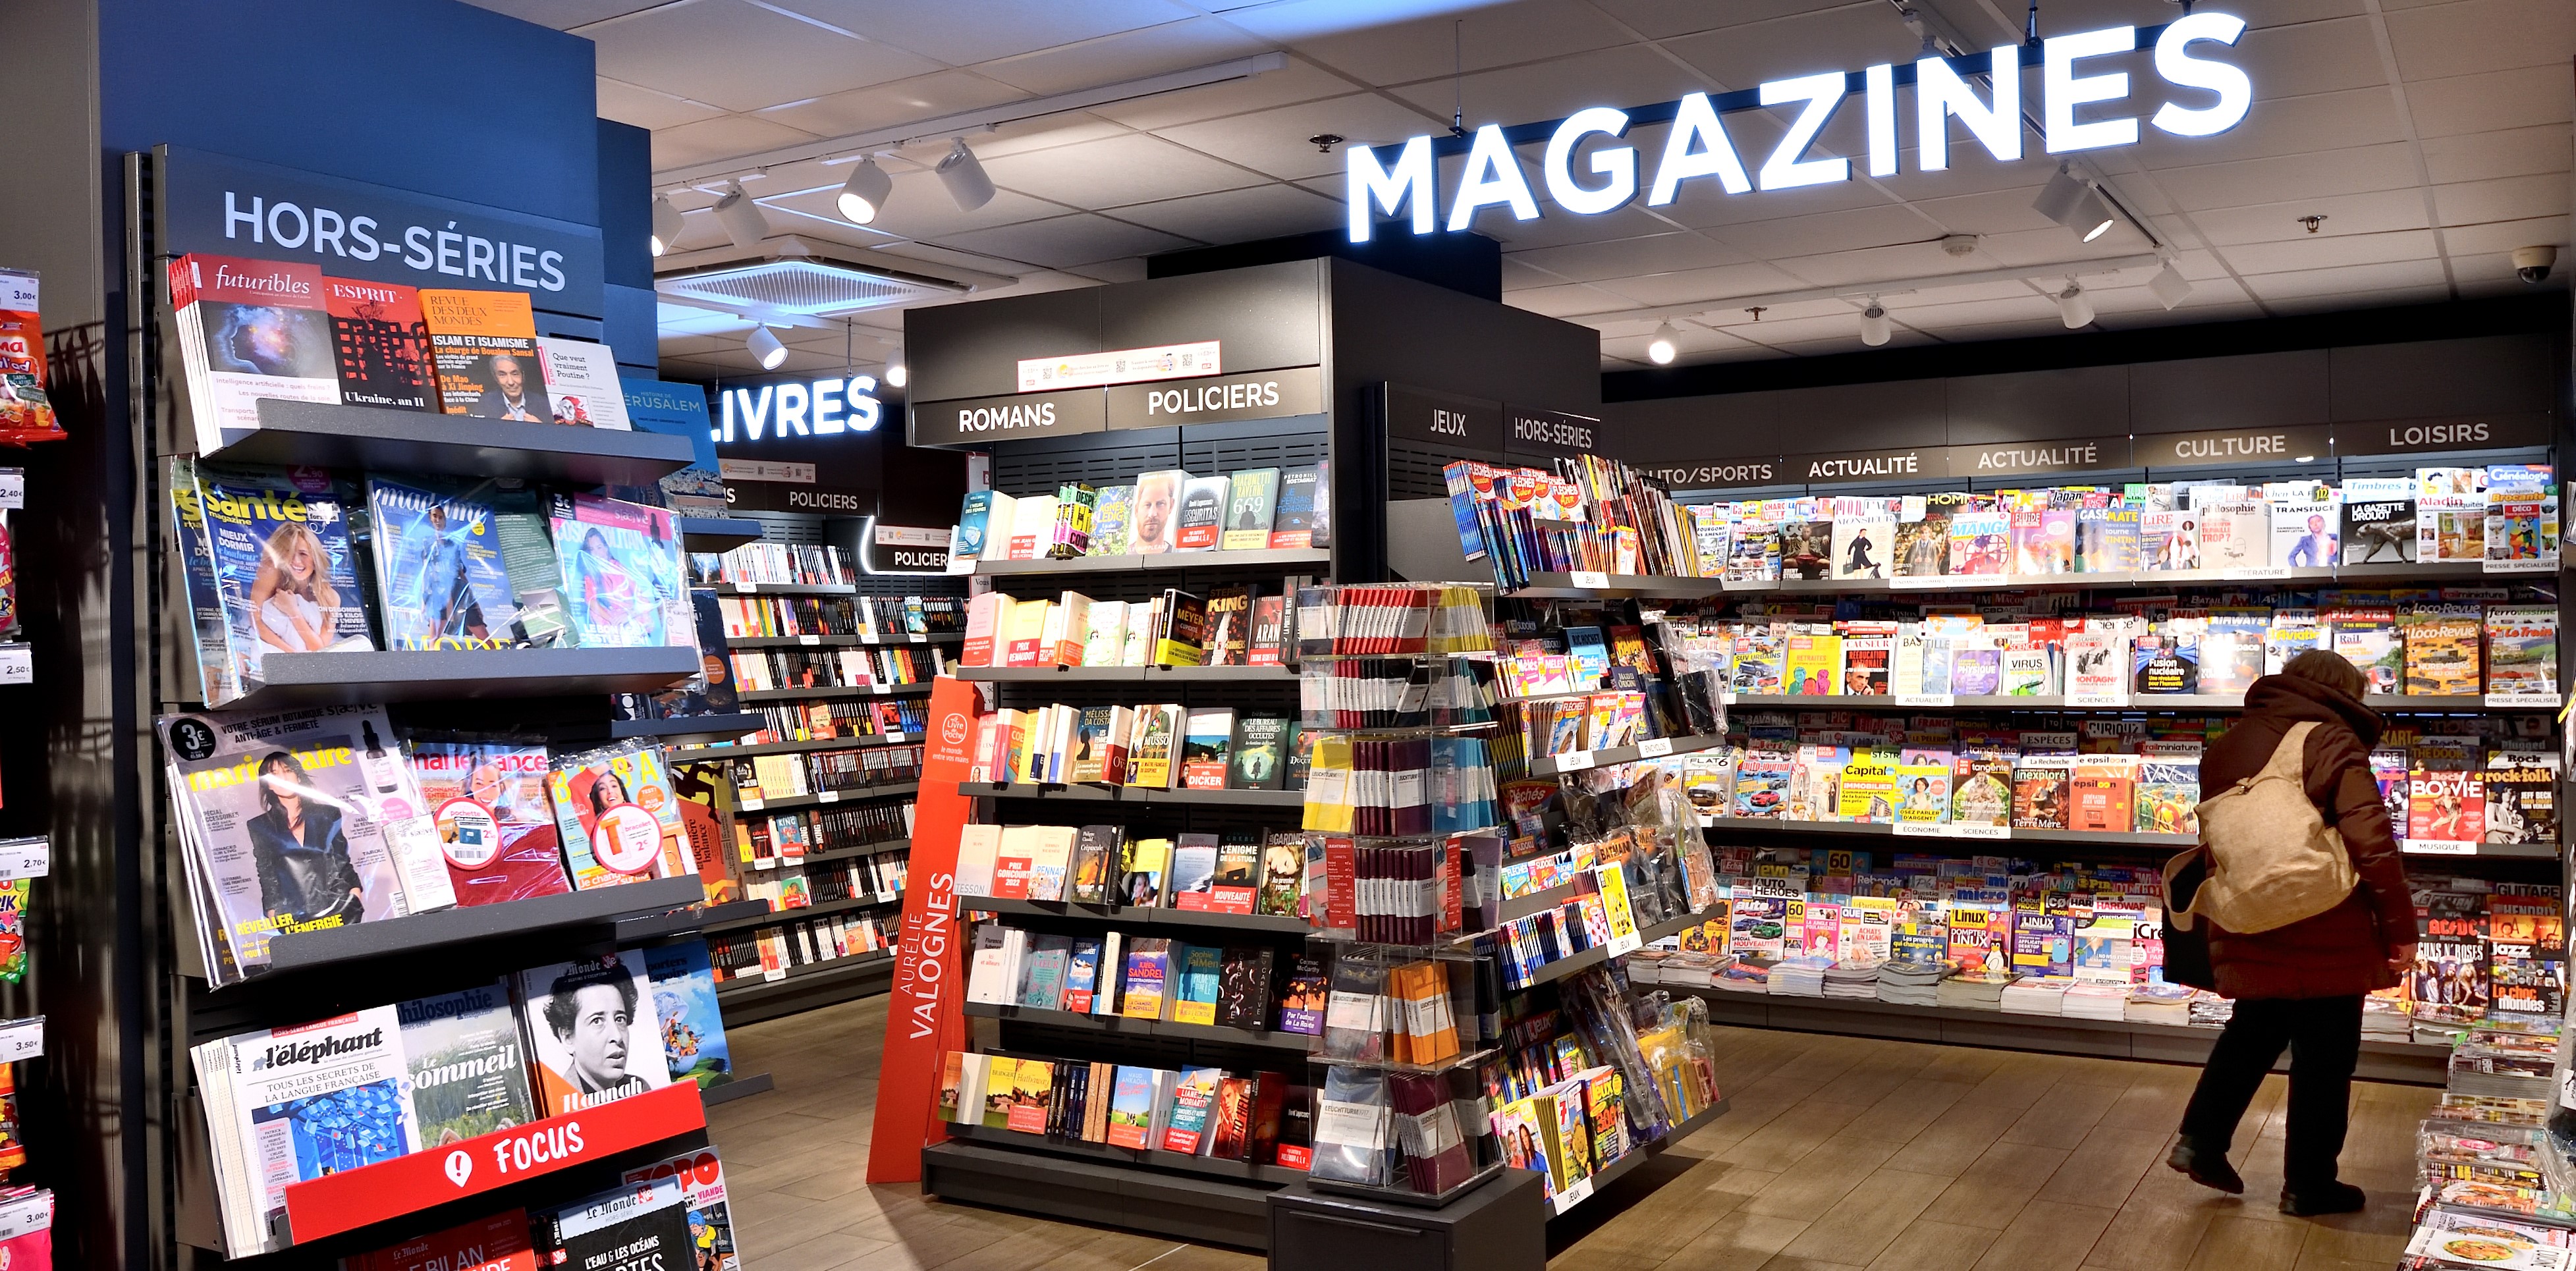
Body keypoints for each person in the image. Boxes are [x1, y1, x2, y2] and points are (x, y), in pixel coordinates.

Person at [2167, 649, 2414, 1216]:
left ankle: (2199, 1138)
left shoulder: (2228, 743)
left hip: (2249, 917)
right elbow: (2370, 840)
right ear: (2342, 693)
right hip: (2324, 921)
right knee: (2325, 1056)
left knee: (2252, 1029)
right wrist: (2400, 929)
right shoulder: (2328, 739)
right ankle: (2308, 1184)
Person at [246, 750, 364, 924]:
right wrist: (272, 909)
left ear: (298, 777)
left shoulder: (328, 814)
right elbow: (266, 871)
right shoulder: (260, 826)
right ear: (268, 785)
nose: (283, 779)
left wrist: (355, 892)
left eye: (288, 771)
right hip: (294, 915)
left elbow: (340, 858)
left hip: (340, 907)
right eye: (274, 774)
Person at [541, 960, 647, 1110]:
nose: (617, 1036)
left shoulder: (640, 1089)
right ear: (568, 1038)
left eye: (620, 1019)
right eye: (597, 1021)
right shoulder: (558, 1107)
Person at [472, 354, 545, 421]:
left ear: (523, 375)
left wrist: (541, 427)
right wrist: (499, 427)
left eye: (515, 374)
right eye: (502, 375)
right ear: (496, 378)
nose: (511, 382)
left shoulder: (542, 403)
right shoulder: (484, 404)